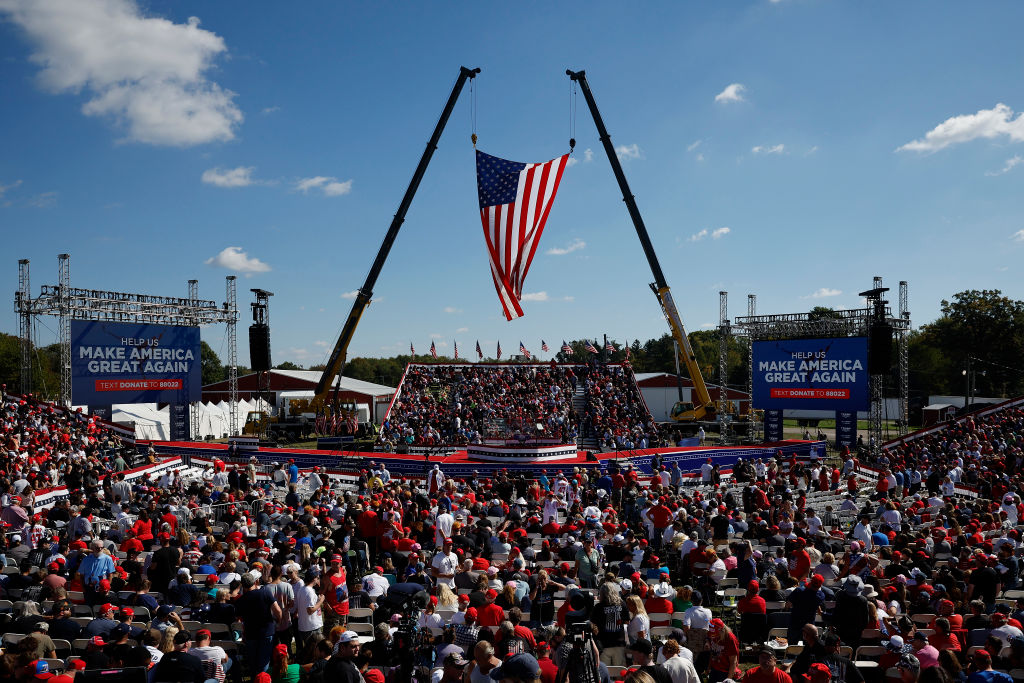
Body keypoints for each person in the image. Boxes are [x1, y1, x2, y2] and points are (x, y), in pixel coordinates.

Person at [236, 572, 283, 676]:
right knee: (264, 662)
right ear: (255, 581)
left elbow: (239, 619)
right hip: (266, 632)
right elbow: (278, 611)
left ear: (242, 585)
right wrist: (277, 622)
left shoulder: (241, 600)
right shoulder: (265, 592)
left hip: (250, 633)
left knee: (253, 662)